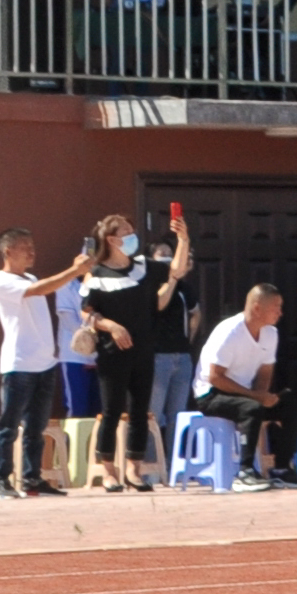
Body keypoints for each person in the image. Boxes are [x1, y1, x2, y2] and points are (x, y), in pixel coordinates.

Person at [79, 209, 196, 490]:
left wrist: (183, 239)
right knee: (112, 410)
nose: (132, 237)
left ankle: (134, 468)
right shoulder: (95, 273)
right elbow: (86, 312)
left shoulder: (144, 266)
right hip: (111, 352)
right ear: (111, 239)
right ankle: (108, 471)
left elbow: (176, 270)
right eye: (126, 233)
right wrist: (111, 326)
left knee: (141, 411)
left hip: (144, 350)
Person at [0, 227, 89, 499]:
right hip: (18, 364)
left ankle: (32, 479)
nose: (32, 251)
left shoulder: (30, 276)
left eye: (33, 245)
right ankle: (0, 479)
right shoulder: (1, 282)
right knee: (9, 424)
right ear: (8, 251)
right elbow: (39, 289)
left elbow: (41, 286)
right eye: (24, 246)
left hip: (45, 363)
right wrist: (73, 271)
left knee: (36, 427)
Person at [193, 283, 286, 492]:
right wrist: (255, 397)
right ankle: (244, 472)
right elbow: (215, 377)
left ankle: (282, 469)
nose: (280, 312)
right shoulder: (229, 331)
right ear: (256, 308)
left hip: (244, 392)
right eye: (276, 307)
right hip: (210, 394)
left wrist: (262, 395)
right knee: (250, 409)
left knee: (291, 407)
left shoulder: (271, 334)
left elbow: (264, 374)